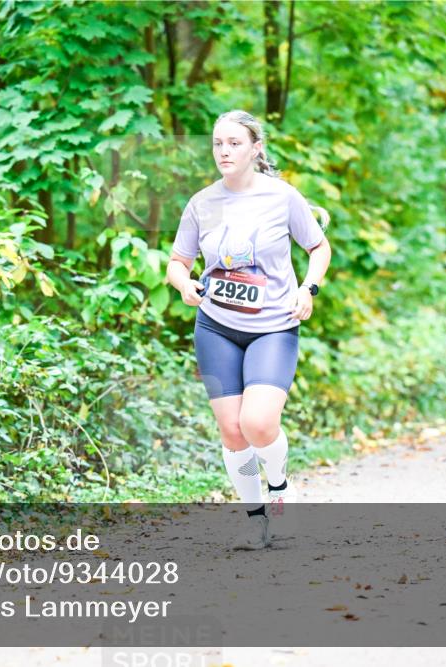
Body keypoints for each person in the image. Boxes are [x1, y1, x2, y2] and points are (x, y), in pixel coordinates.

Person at [165, 109, 332, 550]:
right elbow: (177, 262)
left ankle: (279, 486)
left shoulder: (283, 197)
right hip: (216, 327)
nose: (224, 150)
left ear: (256, 148)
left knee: (257, 423)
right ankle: (254, 520)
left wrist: (309, 289)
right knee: (232, 430)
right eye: (218, 143)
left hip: (274, 325)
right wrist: (185, 284)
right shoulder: (202, 203)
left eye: (234, 143)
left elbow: (318, 246)